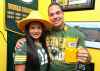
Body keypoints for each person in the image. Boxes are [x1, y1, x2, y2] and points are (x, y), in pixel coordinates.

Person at [46, 3, 91, 71]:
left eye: (58, 13)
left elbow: (88, 60)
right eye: (51, 14)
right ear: (49, 17)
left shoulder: (77, 34)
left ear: (62, 14)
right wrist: (24, 40)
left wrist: (87, 58)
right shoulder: (45, 33)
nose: (55, 16)